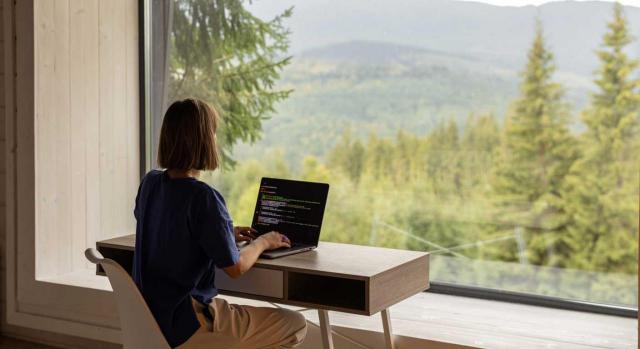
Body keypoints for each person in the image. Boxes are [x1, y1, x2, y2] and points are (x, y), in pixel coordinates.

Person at [132, 98, 307, 348]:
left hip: (152, 322)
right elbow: (236, 268)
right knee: (295, 324)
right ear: (203, 141)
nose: (216, 139)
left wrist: (223, 233)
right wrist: (263, 241)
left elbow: (163, 224)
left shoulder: (150, 183)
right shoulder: (203, 197)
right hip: (190, 324)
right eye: (213, 133)